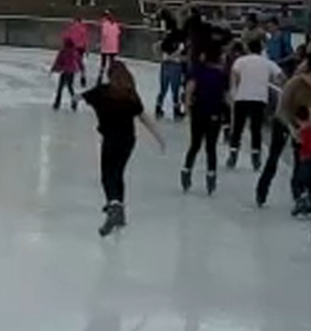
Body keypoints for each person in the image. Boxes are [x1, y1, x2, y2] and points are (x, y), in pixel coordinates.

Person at [84, 59, 164, 236]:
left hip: (110, 140)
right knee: (118, 173)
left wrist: (76, 97)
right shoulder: (130, 95)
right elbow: (145, 118)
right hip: (128, 141)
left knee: (108, 175)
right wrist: (159, 138)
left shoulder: (102, 92)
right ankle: (120, 212)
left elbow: (82, 96)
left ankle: (113, 205)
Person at [256, 60, 311, 207]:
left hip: (303, 123)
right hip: (284, 122)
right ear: (308, 74)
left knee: (301, 160)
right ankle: (262, 190)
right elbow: (283, 110)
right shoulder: (293, 84)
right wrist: (292, 129)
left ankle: (298, 194)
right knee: (274, 157)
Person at [180, 47, 228, 195]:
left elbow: (189, 89)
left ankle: (186, 170)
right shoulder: (222, 76)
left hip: (199, 112)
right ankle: (211, 175)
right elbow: (226, 97)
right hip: (214, 114)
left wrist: (187, 108)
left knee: (195, 144)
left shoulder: (198, 72)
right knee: (211, 147)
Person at [227, 41, 281, 170]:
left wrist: (233, 91)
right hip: (259, 98)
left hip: (242, 96)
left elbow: (234, 76)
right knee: (256, 128)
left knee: (238, 127)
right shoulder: (268, 63)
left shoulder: (240, 61)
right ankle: (256, 155)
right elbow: (280, 76)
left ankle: (233, 153)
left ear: (248, 48)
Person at [154, 25, 187, 120]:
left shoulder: (166, 42)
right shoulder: (180, 44)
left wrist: (161, 57)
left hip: (165, 65)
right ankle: (176, 111)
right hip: (175, 66)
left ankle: (158, 108)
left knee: (163, 88)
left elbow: (155, 47)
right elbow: (183, 55)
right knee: (175, 90)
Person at [51, 33, 83, 111]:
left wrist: (54, 68)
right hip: (71, 72)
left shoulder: (63, 51)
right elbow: (79, 62)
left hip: (65, 71)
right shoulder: (75, 52)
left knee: (60, 88)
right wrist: (82, 70)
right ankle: (74, 102)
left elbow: (58, 61)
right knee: (70, 87)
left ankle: (57, 103)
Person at [97, 10, 121, 84]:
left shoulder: (105, 24)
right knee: (111, 63)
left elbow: (104, 35)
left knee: (103, 63)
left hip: (106, 47)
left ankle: (100, 78)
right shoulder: (115, 24)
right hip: (114, 47)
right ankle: (111, 78)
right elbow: (118, 33)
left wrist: (100, 43)